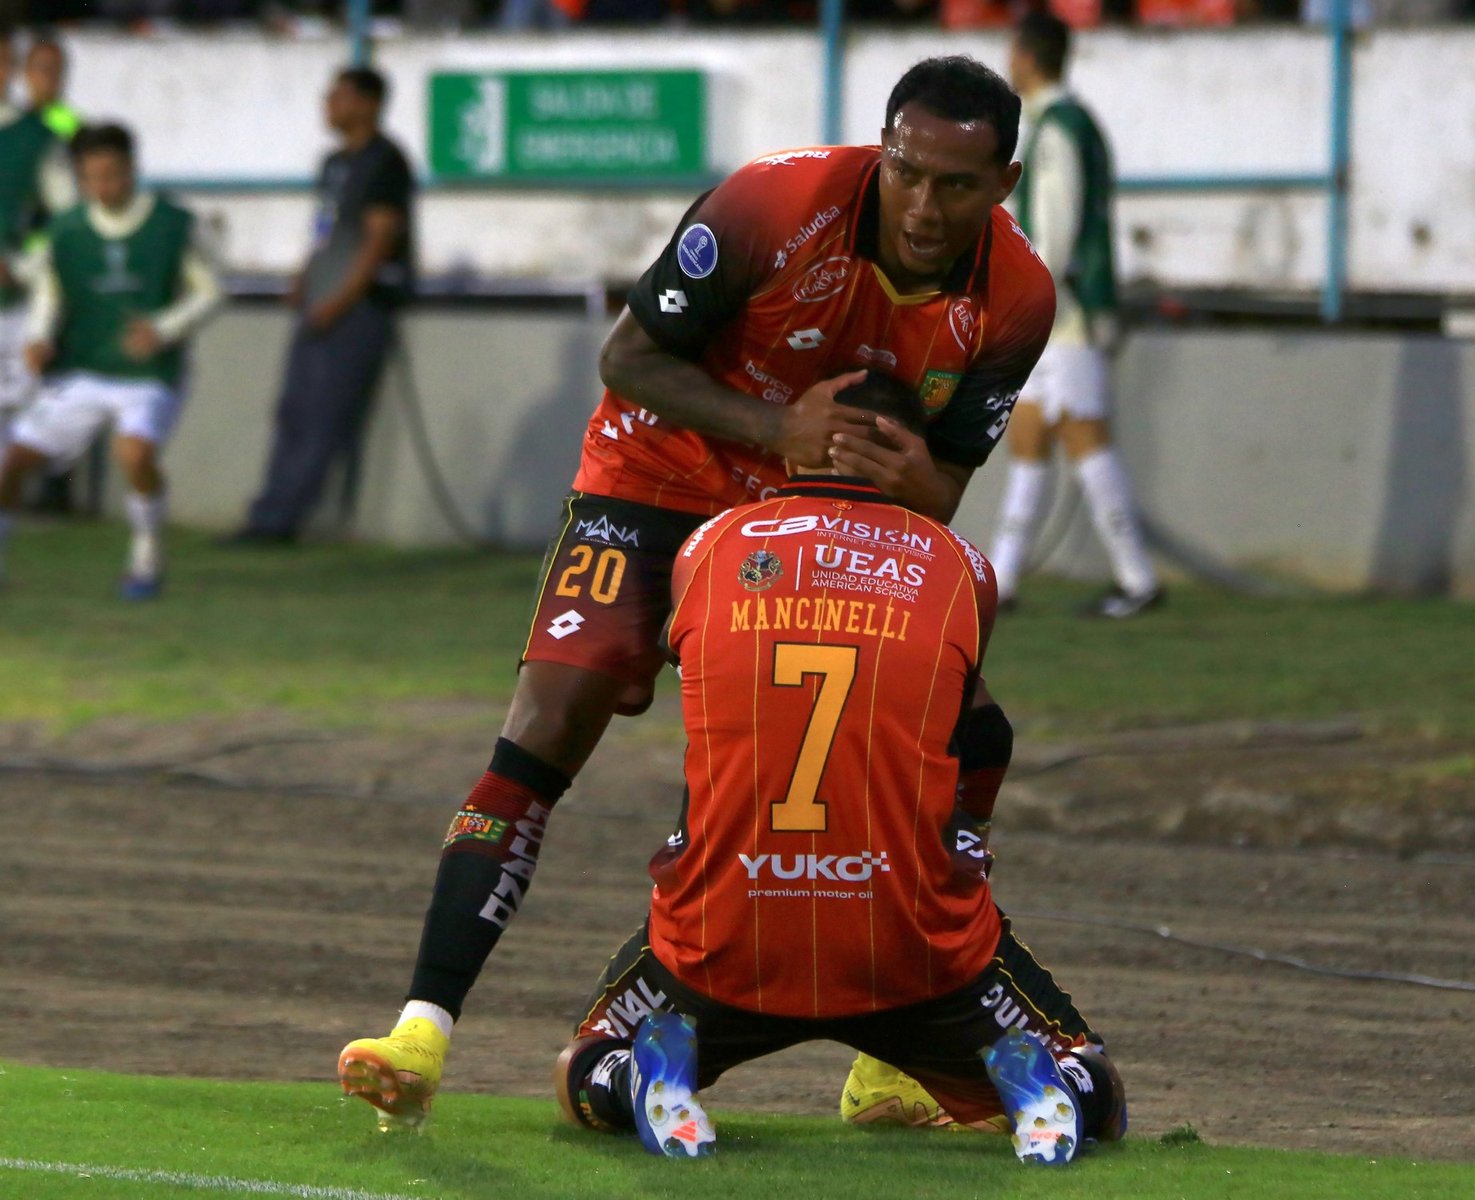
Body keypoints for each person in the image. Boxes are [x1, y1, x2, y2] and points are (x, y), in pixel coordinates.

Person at [337, 55, 1056, 1132]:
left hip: (806, 515)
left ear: (1003, 184)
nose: (922, 205)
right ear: (882, 151)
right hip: (655, 476)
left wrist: (905, 477)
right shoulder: (774, 204)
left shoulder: (1018, 299)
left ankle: (894, 1051)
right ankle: (420, 1032)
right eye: (906, 172)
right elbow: (626, 357)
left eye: (955, 186)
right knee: (553, 714)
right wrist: (777, 428)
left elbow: (943, 488)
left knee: (969, 737)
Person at [552, 372, 1127, 1164]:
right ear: (905, 451)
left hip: (727, 930)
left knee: (582, 1062)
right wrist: (969, 847)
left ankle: (640, 1078)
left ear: (802, 442)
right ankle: (1039, 1085)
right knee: (1096, 1083)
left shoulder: (709, 546)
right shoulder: (961, 565)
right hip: (908, 938)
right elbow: (984, 735)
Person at [987, 13, 1164, 619]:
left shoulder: (1059, 127)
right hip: (1059, 313)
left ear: (1028, 56)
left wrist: (1029, 297)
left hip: (1066, 314)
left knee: (1086, 438)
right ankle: (1001, 580)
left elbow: (1056, 233)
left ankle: (1138, 579)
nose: (1008, 60)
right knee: (1030, 436)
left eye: (1013, 50)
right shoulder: (1062, 123)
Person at [0, 123, 224, 597]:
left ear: (132, 170)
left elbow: (211, 292)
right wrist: (38, 338)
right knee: (13, 460)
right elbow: (49, 292)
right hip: (83, 369)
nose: (104, 186)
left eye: (113, 175)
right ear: (81, 179)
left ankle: (146, 555)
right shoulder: (67, 230)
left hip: (148, 372)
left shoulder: (171, 225)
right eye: (92, 177)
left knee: (134, 453)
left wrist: (163, 328)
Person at [226, 66, 413, 544]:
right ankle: (268, 510)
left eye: (340, 96)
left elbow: (378, 239)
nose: (328, 104)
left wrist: (340, 300)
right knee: (294, 409)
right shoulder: (333, 163)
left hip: (355, 308)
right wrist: (306, 276)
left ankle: (283, 519)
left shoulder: (386, 162)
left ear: (369, 104)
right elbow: (325, 228)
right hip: (320, 301)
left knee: (324, 413)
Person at [0, 30, 75, 457]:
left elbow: (71, 222)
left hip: (17, 298)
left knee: (20, 415)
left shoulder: (45, 133)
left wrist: (22, 266)